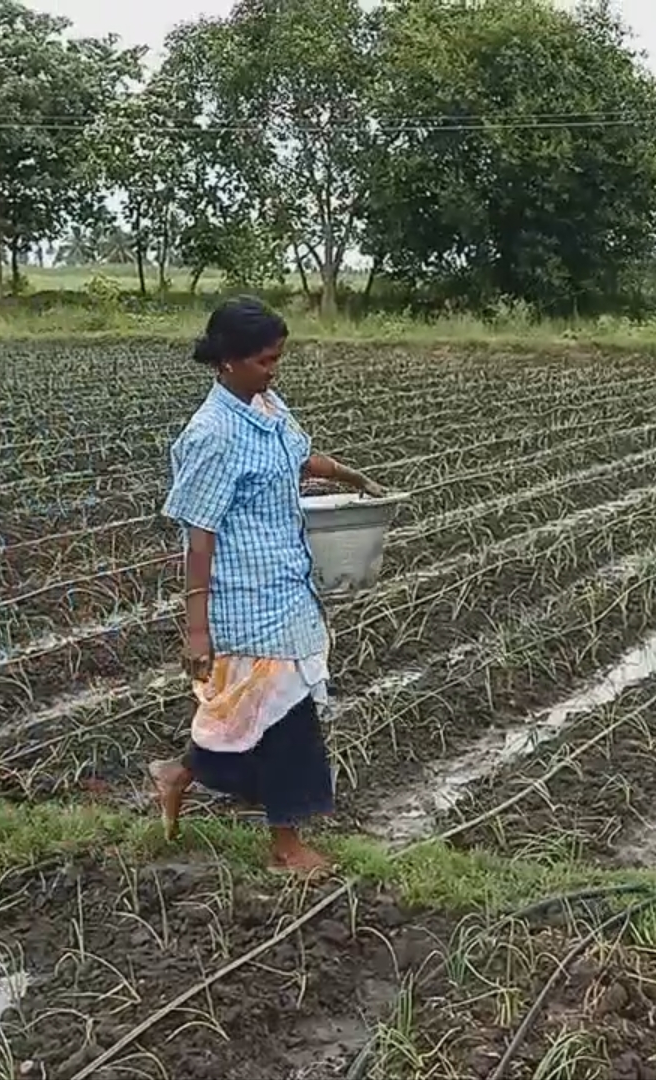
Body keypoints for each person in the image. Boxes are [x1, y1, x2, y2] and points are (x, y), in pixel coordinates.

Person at [149, 296, 385, 875]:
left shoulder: (267, 405)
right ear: (227, 361)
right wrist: (196, 631)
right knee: (286, 720)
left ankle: (178, 774)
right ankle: (285, 845)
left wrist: (353, 476)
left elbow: (298, 459)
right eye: (263, 360)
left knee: (251, 711)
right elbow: (198, 536)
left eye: (278, 358)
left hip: (288, 585)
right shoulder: (212, 435)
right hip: (245, 599)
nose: (273, 370)